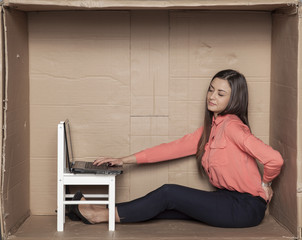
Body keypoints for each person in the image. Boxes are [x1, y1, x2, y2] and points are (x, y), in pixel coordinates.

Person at [69, 69, 284, 228]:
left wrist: (266, 183)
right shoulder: (212, 128)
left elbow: (274, 159)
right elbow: (171, 149)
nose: (211, 97)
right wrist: (123, 159)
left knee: (168, 192)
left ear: (234, 98)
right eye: (211, 90)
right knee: (167, 206)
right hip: (226, 199)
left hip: (245, 208)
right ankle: (101, 210)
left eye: (220, 93)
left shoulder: (233, 127)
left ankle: (98, 216)